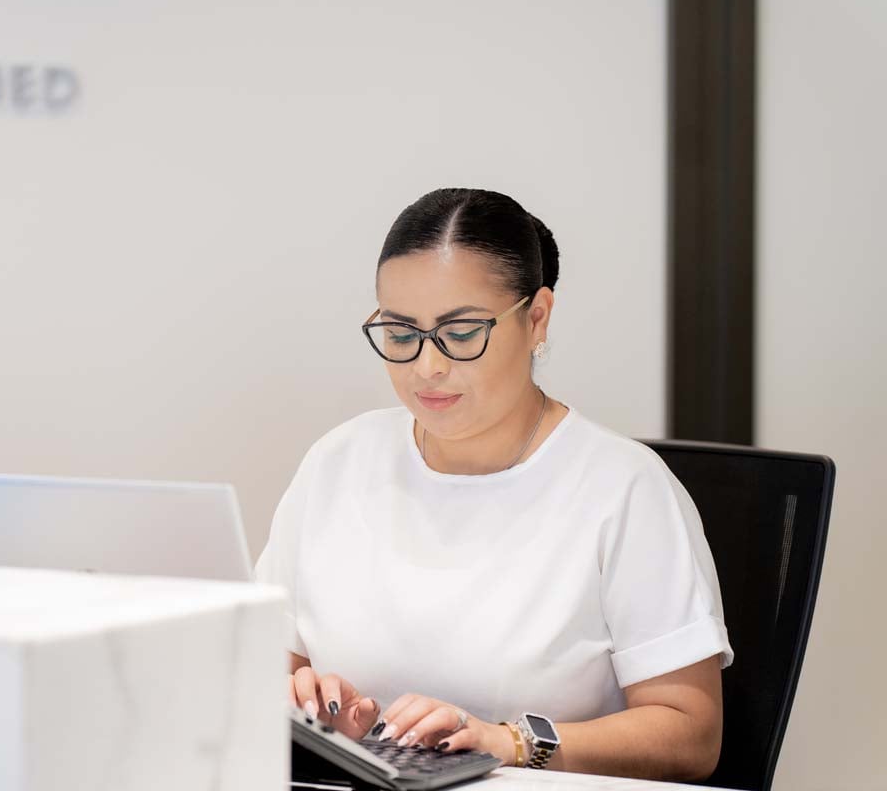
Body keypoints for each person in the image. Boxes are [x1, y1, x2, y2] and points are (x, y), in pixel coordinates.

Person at [255, 188, 733, 781]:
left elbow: (690, 735)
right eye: (400, 334)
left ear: (536, 319)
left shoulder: (623, 488)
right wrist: (314, 713)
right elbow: (264, 671)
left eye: (461, 333)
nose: (427, 366)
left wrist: (508, 741)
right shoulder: (339, 462)